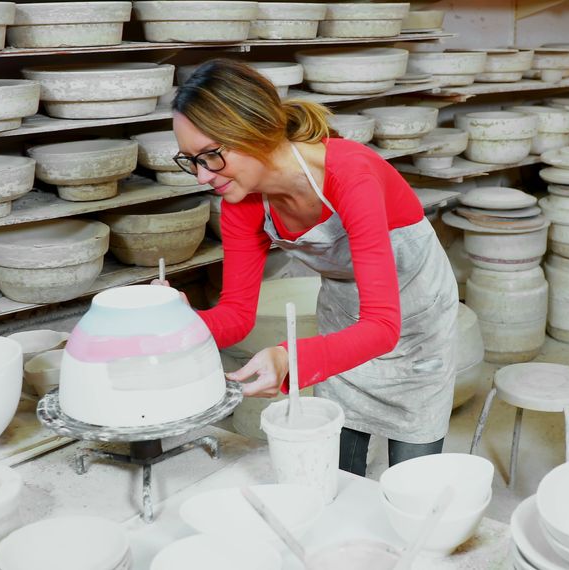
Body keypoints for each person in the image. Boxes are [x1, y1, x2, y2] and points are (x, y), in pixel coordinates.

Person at [164, 59, 459, 476]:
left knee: (412, 480)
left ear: (255, 129)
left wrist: (291, 360)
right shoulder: (243, 204)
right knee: (337, 469)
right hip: (344, 316)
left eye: (210, 156)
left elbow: (383, 326)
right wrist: (171, 322)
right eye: (189, 160)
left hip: (414, 315)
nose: (200, 176)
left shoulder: (349, 174)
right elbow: (236, 317)